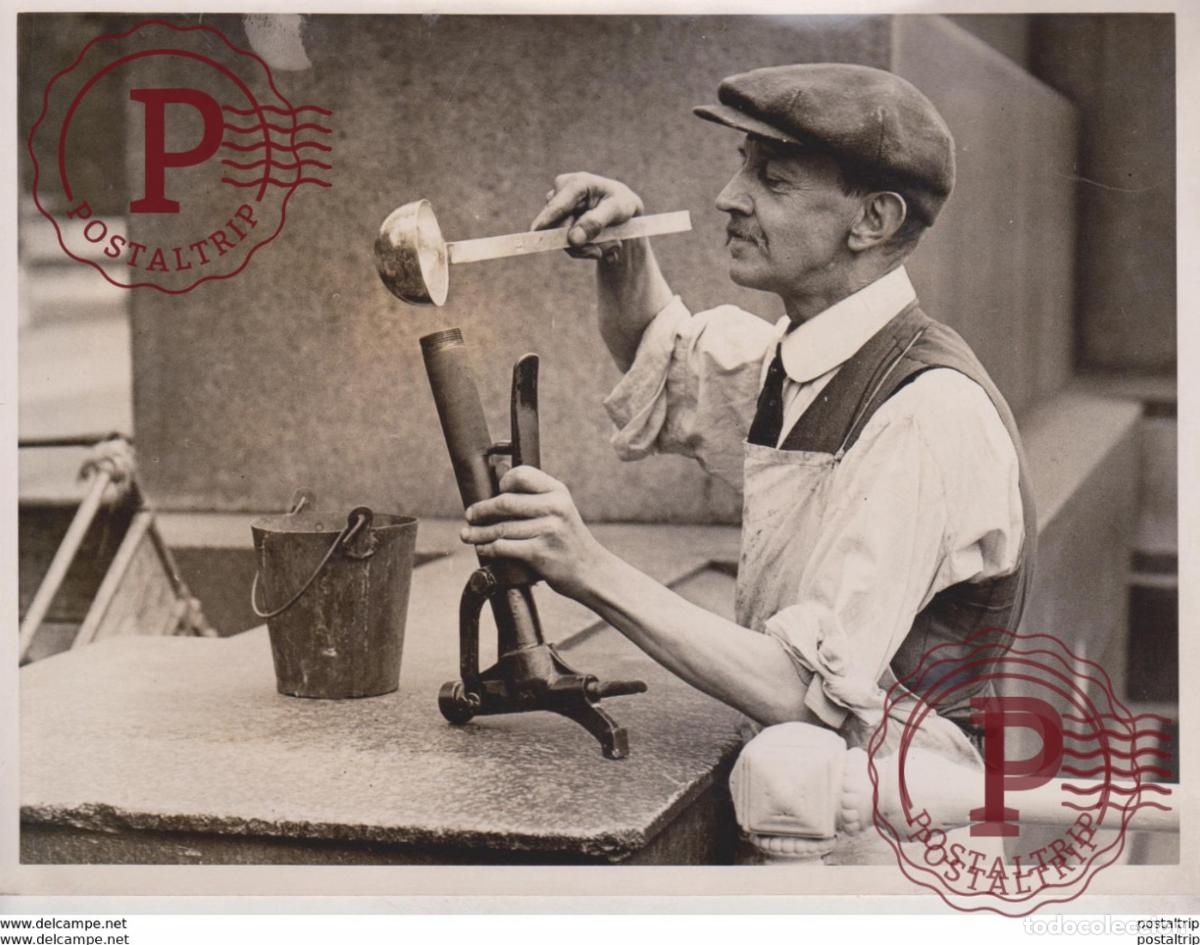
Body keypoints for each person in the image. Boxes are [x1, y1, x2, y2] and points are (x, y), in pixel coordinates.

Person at [459, 63, 1036, 753]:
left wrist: (587, 566)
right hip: (815, 801)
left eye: (773, 179)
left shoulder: (927, 416)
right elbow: (662, 353)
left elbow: (806, 692)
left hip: (897, 831)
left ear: (873, 219)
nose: (729, 196)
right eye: (744, 167)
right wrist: (625, 250)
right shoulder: (805, 359)